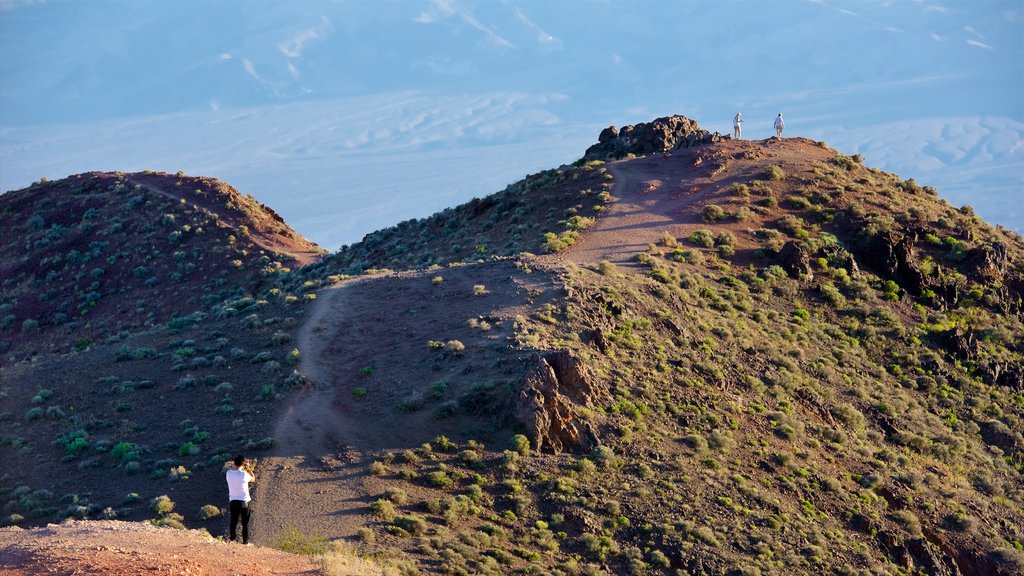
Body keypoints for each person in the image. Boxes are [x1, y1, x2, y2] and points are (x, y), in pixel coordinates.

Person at [226, 455, 255, 545]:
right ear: (243, 464)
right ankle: (245, 542)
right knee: (245, 523)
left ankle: (232, 539)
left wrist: (242, 466)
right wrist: (249, 469)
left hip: (233, 501)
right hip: (244, 501)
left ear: (234, 463)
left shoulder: (228, 473)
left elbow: (234, 470)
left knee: (233, 521)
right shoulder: (244, 474)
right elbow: (253, 479)